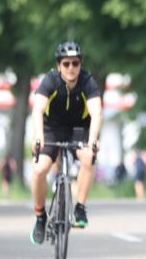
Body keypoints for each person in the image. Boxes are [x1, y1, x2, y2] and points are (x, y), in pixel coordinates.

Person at [29, 41, 103, 244]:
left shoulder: (87, 81)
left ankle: (80, 208)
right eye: (66, 63)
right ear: (59, 65)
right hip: (51, 128)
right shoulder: (50, 80)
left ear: (81, 64)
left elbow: (96, 111)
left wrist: (93, 138)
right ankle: (40, 216)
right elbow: (37, 109)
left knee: (88, 158)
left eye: (75, 63)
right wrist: (38, 136)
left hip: (78, 129)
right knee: (39, 169)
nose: (71, 68)